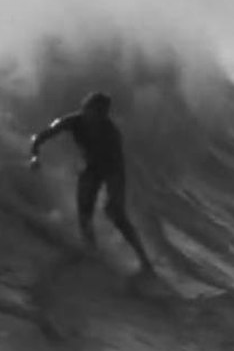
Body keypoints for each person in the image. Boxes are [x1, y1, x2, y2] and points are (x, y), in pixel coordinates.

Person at [28, 91, 155, 274]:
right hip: (92, 168)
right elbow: (40, 137)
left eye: (100, 114)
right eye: (93, 112)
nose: (95, 118)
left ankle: (144, 261)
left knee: (115, 213)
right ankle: (93, 253)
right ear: (85, 109)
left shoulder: (111, 133)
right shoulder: (72, 121)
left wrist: (113, 196)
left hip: (112, 169)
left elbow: (118, 167)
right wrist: (34, 156)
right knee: (84, 213)